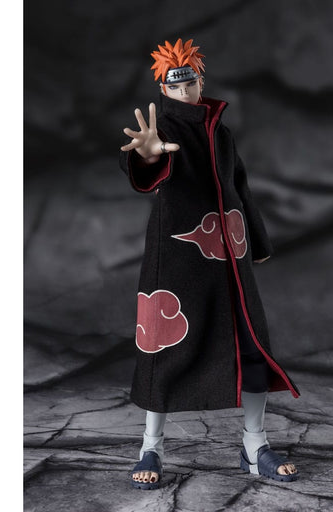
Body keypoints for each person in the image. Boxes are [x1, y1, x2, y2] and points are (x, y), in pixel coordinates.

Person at [119, 38, 300, 490]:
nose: (184, 92)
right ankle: (151, 446)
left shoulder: (221, 132)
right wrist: (146, 155)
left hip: (229, 258)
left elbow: (240, 185)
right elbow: (145, 168)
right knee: (163, 350)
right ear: (163, 88)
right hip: (175, 257)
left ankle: (255, 445)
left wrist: (256, 241)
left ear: (202, 80)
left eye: (190, 83)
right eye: (174, 86)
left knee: (251, 346)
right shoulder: (162, 128)